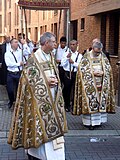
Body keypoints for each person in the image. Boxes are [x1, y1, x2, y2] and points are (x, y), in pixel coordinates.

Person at [8, 32, 68, 160]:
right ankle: (34, 153)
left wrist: (55, 82)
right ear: (46, 43)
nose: (55, 44)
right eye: (53, 41)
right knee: (39, 127)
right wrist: (46, 82)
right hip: (38, 101)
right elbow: (26, 81)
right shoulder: (34, 59)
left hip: (53, 99)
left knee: (52, 126)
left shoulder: (51, 56)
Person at [73, 41, 115, 130]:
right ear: (92, 48)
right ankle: (89, 123)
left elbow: (109, 69)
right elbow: (82, 70)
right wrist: (92, 73)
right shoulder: (86, 57)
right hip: (90, 84)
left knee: (99, 102)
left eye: (99, 52)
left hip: (101, 84)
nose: (98, 53)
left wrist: (103, 72)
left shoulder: (103, 57)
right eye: (96, 52)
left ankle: (98, 122)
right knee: (91, 101)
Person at [4, 38, 30, 109]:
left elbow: (28, 52)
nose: (17, 44)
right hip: (11, 73)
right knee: (10, 90)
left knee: (19, 89)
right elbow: (8, 64)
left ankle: (18, 103)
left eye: (17, 42)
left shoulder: (20, 51)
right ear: (11, 44)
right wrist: (18, 64)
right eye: (15, 42)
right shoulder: (7, 53)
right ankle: (11, 100)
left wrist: (24, 44)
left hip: (19, 73)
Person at [61, 40, 82, 112]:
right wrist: (67, 58)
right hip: (67, 73)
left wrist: (73, 63)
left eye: (74, 44)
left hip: (75, 73)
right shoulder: (66, 53)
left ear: (77, 45)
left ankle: (74, 105)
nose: (72, 46)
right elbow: (63, 64)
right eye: (71, 45)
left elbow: (80, 66)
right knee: (67, 89)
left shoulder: (79, 55)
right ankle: (67, 105)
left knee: (75, 90)